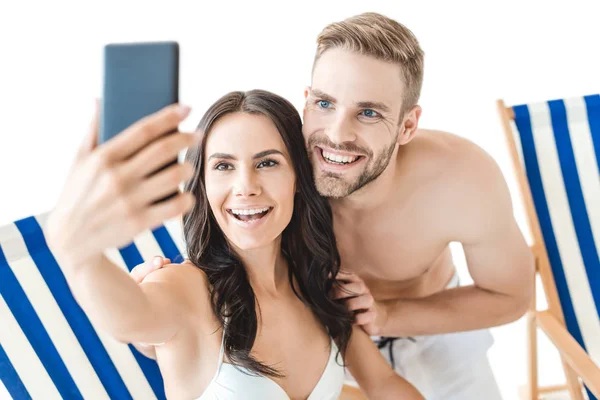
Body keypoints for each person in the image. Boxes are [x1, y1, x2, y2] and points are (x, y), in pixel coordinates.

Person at [134, 12, 535, 400]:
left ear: (407, 125)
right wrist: (152, 318)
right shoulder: (277, 168)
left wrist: (387, 315)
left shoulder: (460, 179)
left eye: (368, 112)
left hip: (435, 328)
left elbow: (510, 297)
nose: (337, 136)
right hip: (320, 350)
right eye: (325, 104)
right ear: (307, 101)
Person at [46, 90, 423, 399]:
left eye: (267, 163)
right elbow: (128, 320)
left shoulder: (318, 289)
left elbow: (384, 386)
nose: (246, 187)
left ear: (297, 177)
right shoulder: (184, 288)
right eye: (224, 166)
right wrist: (77, 253)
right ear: (203, 185)